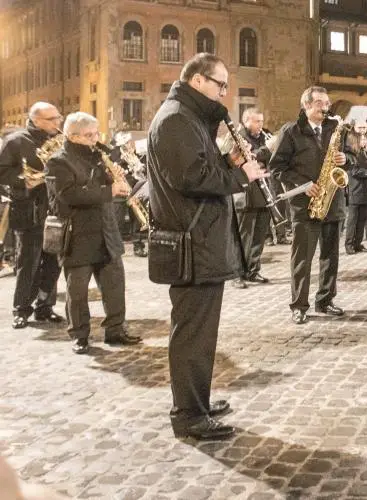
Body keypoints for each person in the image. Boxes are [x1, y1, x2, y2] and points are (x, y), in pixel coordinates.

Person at [147, 53, 267, 440]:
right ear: (198, 81)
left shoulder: (187, 116)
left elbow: (199, 167)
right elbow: (191, 178)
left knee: (200, 333)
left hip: (198, 241)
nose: (224, 92)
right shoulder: (177, 119)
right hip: (191, 244)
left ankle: (196, 400)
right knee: (192, 334)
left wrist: (226, 159)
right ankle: (189, 415)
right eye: (220, 84)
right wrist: (240, 173)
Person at [45, 112, 142, 354]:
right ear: (72, 136)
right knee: (77, 291)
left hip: (106, 232)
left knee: (114, 286)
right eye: (89, 135)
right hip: (78, 236)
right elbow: (69, 195)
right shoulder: (59, 161)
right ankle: (79, 335)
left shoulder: (99, 156)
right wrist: (108, 190)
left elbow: (102, 187)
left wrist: (114, 176)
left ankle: (116, 329)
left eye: (96, 133)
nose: (95, 139)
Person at [269, 86, 354, 325]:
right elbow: (277, 169)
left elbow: (352, 158)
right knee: (302, 259)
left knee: (330, 257)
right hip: (304, 205)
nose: (325, 107)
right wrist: (302, 184)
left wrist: (345, 159)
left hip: (332, 202)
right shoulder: (291, 131)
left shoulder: (336, 129)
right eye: (319, 103)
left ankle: (325, 300)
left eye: (327, 103)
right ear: (306, 105)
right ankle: (299, 305)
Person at [0, 102, 64, 329]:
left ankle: (45, 307)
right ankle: (21, 309)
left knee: (54, 261)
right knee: (29, 261)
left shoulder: (61, 140)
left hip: (55, 208)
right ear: (36, 120)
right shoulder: (16, 141)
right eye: (52, 118)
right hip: (28, 209)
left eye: (58, 117)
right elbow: (2, 171)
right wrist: (24, 179)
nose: (58, 122)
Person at [232, 107, 275, 289]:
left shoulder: (263, 137)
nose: (260, 125)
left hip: (263, 193)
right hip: (246, 194)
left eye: (262, 121)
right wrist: (267, 149)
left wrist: (274, 149)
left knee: (259, 235)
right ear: (246, 121)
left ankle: (253, 269)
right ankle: (237, 274)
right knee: (243, 238)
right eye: (257, 121)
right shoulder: (238, 138)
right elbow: (247, 158)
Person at [345, 122, 367, 254]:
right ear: (356, 140)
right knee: (352, 221)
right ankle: (349, 245)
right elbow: (354, 171)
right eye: (362, 139)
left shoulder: (365, 152)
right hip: (356, 190)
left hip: (366, 190)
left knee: (362, 219)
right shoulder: (351, 154)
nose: (364, 140)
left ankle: (358, 243)